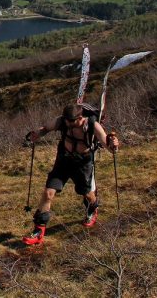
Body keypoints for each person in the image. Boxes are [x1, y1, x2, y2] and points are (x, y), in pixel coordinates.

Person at [22, 103, 119, 245]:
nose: (68, 123)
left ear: (80, 118)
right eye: (66, 120)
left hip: (83, 163)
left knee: (86, 193)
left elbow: (109, 147)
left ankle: (93, 207)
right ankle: (38, 230)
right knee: (48, 192)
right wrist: (37, 134)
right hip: (63, 160)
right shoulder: (62, 121)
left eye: (71, 121)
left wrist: (114, 145)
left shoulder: (93, 125)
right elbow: (46, 128)